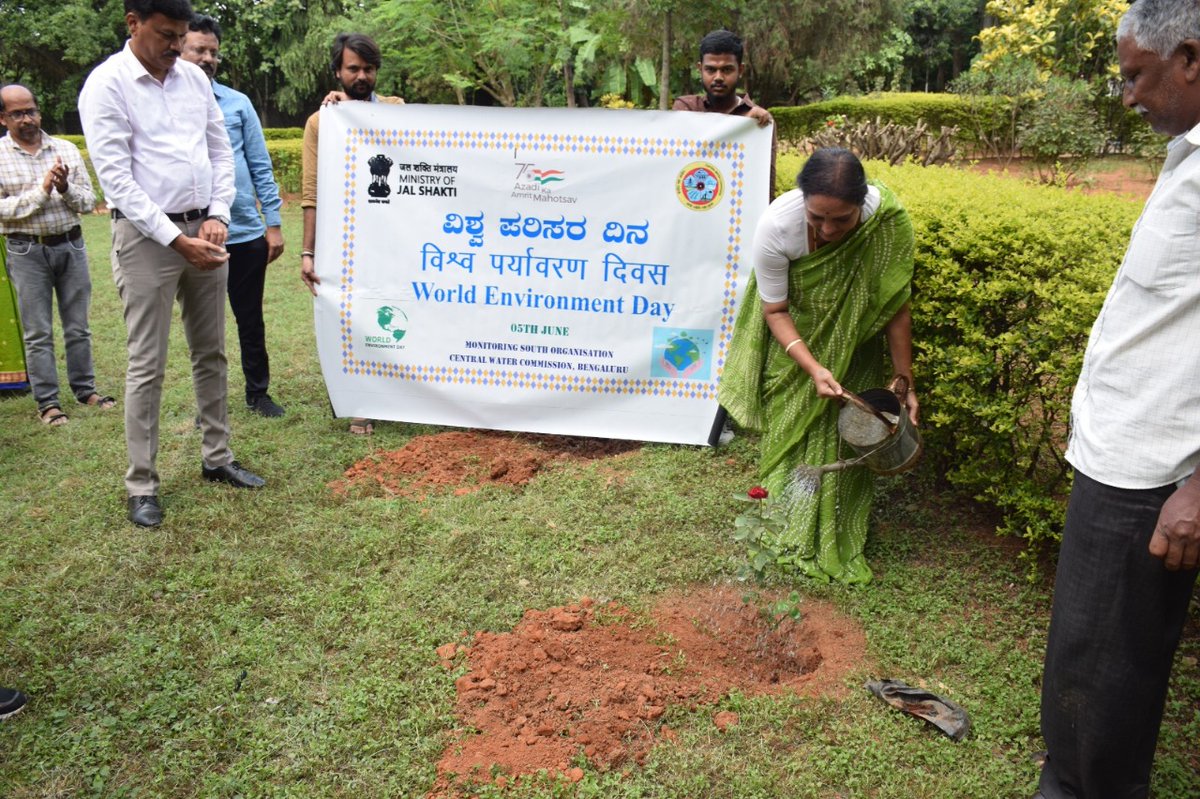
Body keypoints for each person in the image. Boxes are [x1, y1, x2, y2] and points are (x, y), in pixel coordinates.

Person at [1036, 2, 1200, 796]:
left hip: (1150, 482)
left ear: (1191, 57)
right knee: (1089, 668)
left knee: (1098, 683)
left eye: (1136, 74)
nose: (1127, 96)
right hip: (1121, 459)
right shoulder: (1187, 155)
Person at [79, 0, 265, 529]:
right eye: (165, 35)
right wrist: (173, 239)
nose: (175, 48)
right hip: (144, 237)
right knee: (146, 364)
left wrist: (219, 216)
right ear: (132, 24)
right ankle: (142, 484)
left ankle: (218, 458)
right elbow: (116, 179)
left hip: (204, 231)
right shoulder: (106, 85)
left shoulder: (192, 79)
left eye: (181, 37)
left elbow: (219, 152)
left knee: (212, 351)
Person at [719, 148, 916, 584]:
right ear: (802, 200)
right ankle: (784, 524)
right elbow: (775, 311)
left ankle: (833, 531)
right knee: (789, 435)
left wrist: (905, 382)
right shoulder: (777, 227)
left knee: (848, 436)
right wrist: (812, 368)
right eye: (817, 218)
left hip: (856, 344)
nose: (827, 230)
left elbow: (896, 305)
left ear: (862, 205)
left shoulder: (885, 223)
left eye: (841, 220)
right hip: (795, 346)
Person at [182, 14, 286, 418]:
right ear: (179, 48)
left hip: (243, 232)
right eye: (199, 50)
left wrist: (272, 224)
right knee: (204, 328)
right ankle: (209, 403)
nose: (207, 58)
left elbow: (260, 166)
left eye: (213, 52)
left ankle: (258, 393)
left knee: (249, 318)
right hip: (191, 233)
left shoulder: (238, 103)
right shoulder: (169, 105)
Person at [299, 32, 403, 436]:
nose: (362, 76)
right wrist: (307, 252)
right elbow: (311, 191)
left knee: (390, 311)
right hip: (341, 238)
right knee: (347, 315)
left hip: (394, 236)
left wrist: (358, 115)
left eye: (369, 69)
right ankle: (357, 402)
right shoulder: (319, 123)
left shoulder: (397, 110)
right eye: (353, 68)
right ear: (338, 72)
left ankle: (401, 392)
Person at [0, 84, 113, 425]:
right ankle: (48, 403)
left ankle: (85, 390)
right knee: (38, 331)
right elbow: (3, 211)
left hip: (70, 245)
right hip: (26, 250)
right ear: (3, 118)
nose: (27, 119)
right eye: (17, 114)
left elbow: (88, 201)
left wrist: (63, 187)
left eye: (31, 110)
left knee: (78, 326)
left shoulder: (63, 149)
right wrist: (42, 190)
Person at [672, 29, 776, 197]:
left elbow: (765, 186)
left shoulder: (759, 121)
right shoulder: (686, 108)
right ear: (700, 69)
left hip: (736, 212)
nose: (718, 77)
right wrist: (741, 125)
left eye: (727, 70)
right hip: (691, 208)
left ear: (740, 70)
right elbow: (681, 163)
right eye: (711, 70)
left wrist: (748, 126)